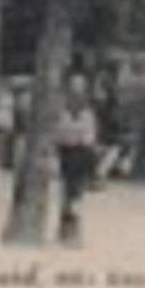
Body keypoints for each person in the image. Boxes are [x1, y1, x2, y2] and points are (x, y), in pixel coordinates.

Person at [55, 69, 100, 245]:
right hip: (66, 153)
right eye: (74, 84)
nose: (77, 88)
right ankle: (65, 230)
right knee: (67, 193)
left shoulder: (88, 110)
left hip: (81, 155)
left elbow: (89, 136)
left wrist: (73, 132)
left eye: (80, 85)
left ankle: (72, 230)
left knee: (76, 195)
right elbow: (60, 132)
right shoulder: (62, 107)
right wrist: (75, 132)